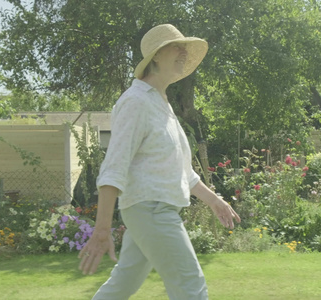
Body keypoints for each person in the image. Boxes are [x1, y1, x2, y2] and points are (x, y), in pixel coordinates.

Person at [78, 24, 241, 300]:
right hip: (151, 210)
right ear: (155, 56)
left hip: (152, 211)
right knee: (191, 287)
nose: (183, 52)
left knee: (122, 286)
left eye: (184, 47)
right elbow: (113, 168)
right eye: (176, 46)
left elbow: (182, 171)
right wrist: (102, 229)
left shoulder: (161, 104)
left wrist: (214, 200)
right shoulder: (136, 102)